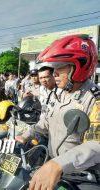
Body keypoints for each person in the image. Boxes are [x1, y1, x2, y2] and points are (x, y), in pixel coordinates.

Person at [16, 34, 100, 190]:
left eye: (60, 66)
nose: (54, 73)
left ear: (80, 65)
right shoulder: (59, 93)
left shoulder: (95, 99)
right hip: (55, 166)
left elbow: (97, 144)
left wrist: (59, 164)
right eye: (54, 67)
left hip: (80, 176)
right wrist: (27, 134)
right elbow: (46, 121)